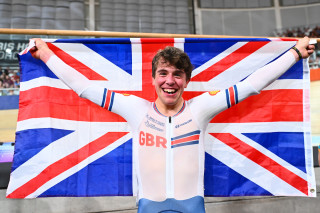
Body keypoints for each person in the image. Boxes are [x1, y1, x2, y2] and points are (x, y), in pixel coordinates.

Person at [30, 37, 314, 213]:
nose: (170, 80)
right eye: (163, 73)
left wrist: (295, 53)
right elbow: (84, 88)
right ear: (153, 79)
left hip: (192, 207)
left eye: (177, 74)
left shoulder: (200, 109)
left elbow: (250, 85)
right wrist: (45, 54)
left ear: (186, 81)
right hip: (149, 208)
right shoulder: (135, 110)